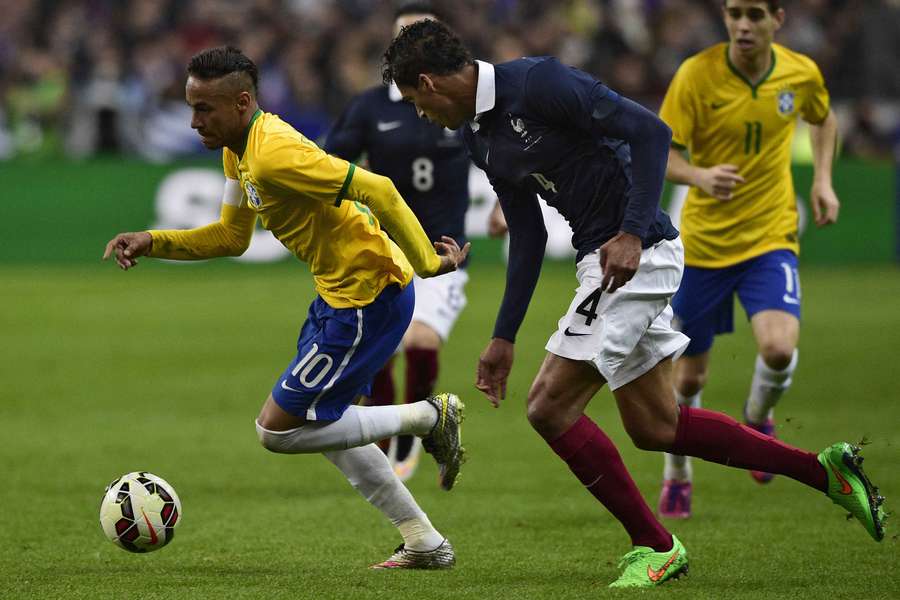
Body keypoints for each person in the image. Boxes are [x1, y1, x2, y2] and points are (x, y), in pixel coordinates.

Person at [382, 19, 886, 588]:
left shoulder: (540, 83)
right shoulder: (480, 136)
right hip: (603, 258)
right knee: (655, 425)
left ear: (427, 82)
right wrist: (504, 336)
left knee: (548, 406)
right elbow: (527, 233)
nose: (422, 116)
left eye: (416, 103)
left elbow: (649, 133)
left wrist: (632, 229)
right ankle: (825, 473)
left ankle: (656, 545)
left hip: (637, 253)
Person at [102, 46, 470, 569]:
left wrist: (429, 264)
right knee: (324, 426)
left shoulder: (274, 151)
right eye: (191, 106)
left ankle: (427, 417)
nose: (193, 121)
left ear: (242, 101)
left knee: (277, 430)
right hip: (338, 295)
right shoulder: (238, 147)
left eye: (204, 109)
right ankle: (424, 542)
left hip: (369, 296)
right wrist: (154, 241)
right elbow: (232, 237)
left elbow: (380, 190)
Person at [657, 0, 842, 518]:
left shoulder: (800, 73)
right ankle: (678, 471)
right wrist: (699, 176)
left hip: (769, 236)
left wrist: (824, 179)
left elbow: (824, 121)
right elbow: (663, 152)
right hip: (704, 247)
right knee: (689, 380)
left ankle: (758, 417)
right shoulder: (696, 75)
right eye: (734, 12)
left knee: (780, 348)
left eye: (755, 14)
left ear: (777, 19)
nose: (743, 24)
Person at [324, 2, 471, 482]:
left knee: (421, 341)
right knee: (382, 352)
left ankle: (412, 433)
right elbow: (331, 165)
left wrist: (505, 206)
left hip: (443, 250)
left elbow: (500, 154)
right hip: (383, 253)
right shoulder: (368, 106)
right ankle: (388, 441)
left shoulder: (459, 101)